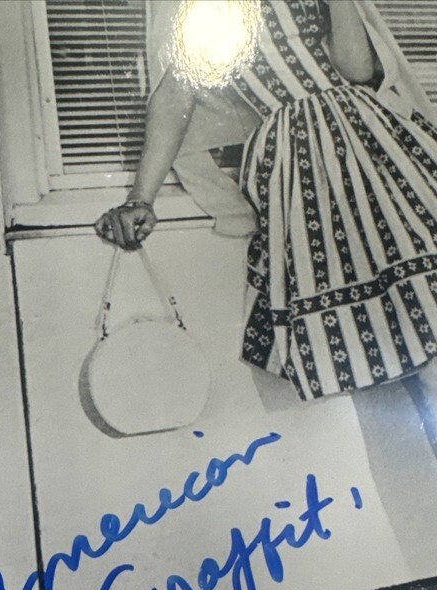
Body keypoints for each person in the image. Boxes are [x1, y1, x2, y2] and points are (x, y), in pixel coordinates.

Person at [95, 0, 437, 407]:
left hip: (375, 137)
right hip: (303, 157)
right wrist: (141, 197)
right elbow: (176, 94)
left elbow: (358, 69)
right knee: (376, 338)